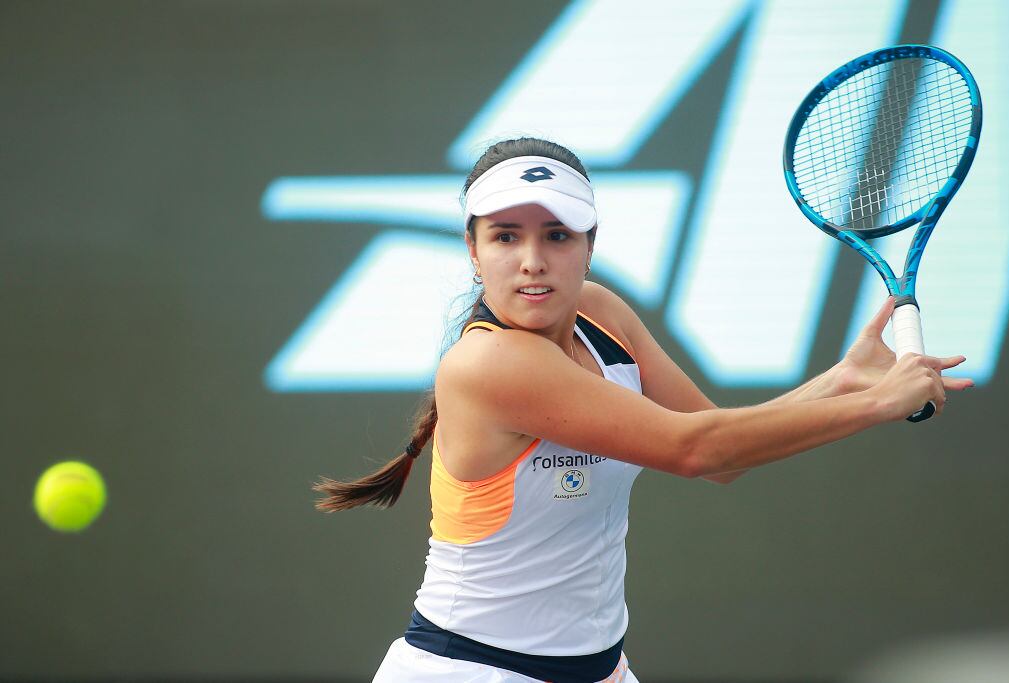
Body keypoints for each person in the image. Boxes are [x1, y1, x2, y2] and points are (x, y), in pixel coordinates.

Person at [313, 138, 972, 683]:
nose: (532, 261)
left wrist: (844, 380)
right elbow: (698, 450)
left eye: (558, 235)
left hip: (598, 669)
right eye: (506, 236)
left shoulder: (603, 314)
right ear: (472, 248)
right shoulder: (490, 364)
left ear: (590, 245)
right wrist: (880, 404)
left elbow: (722, 455)